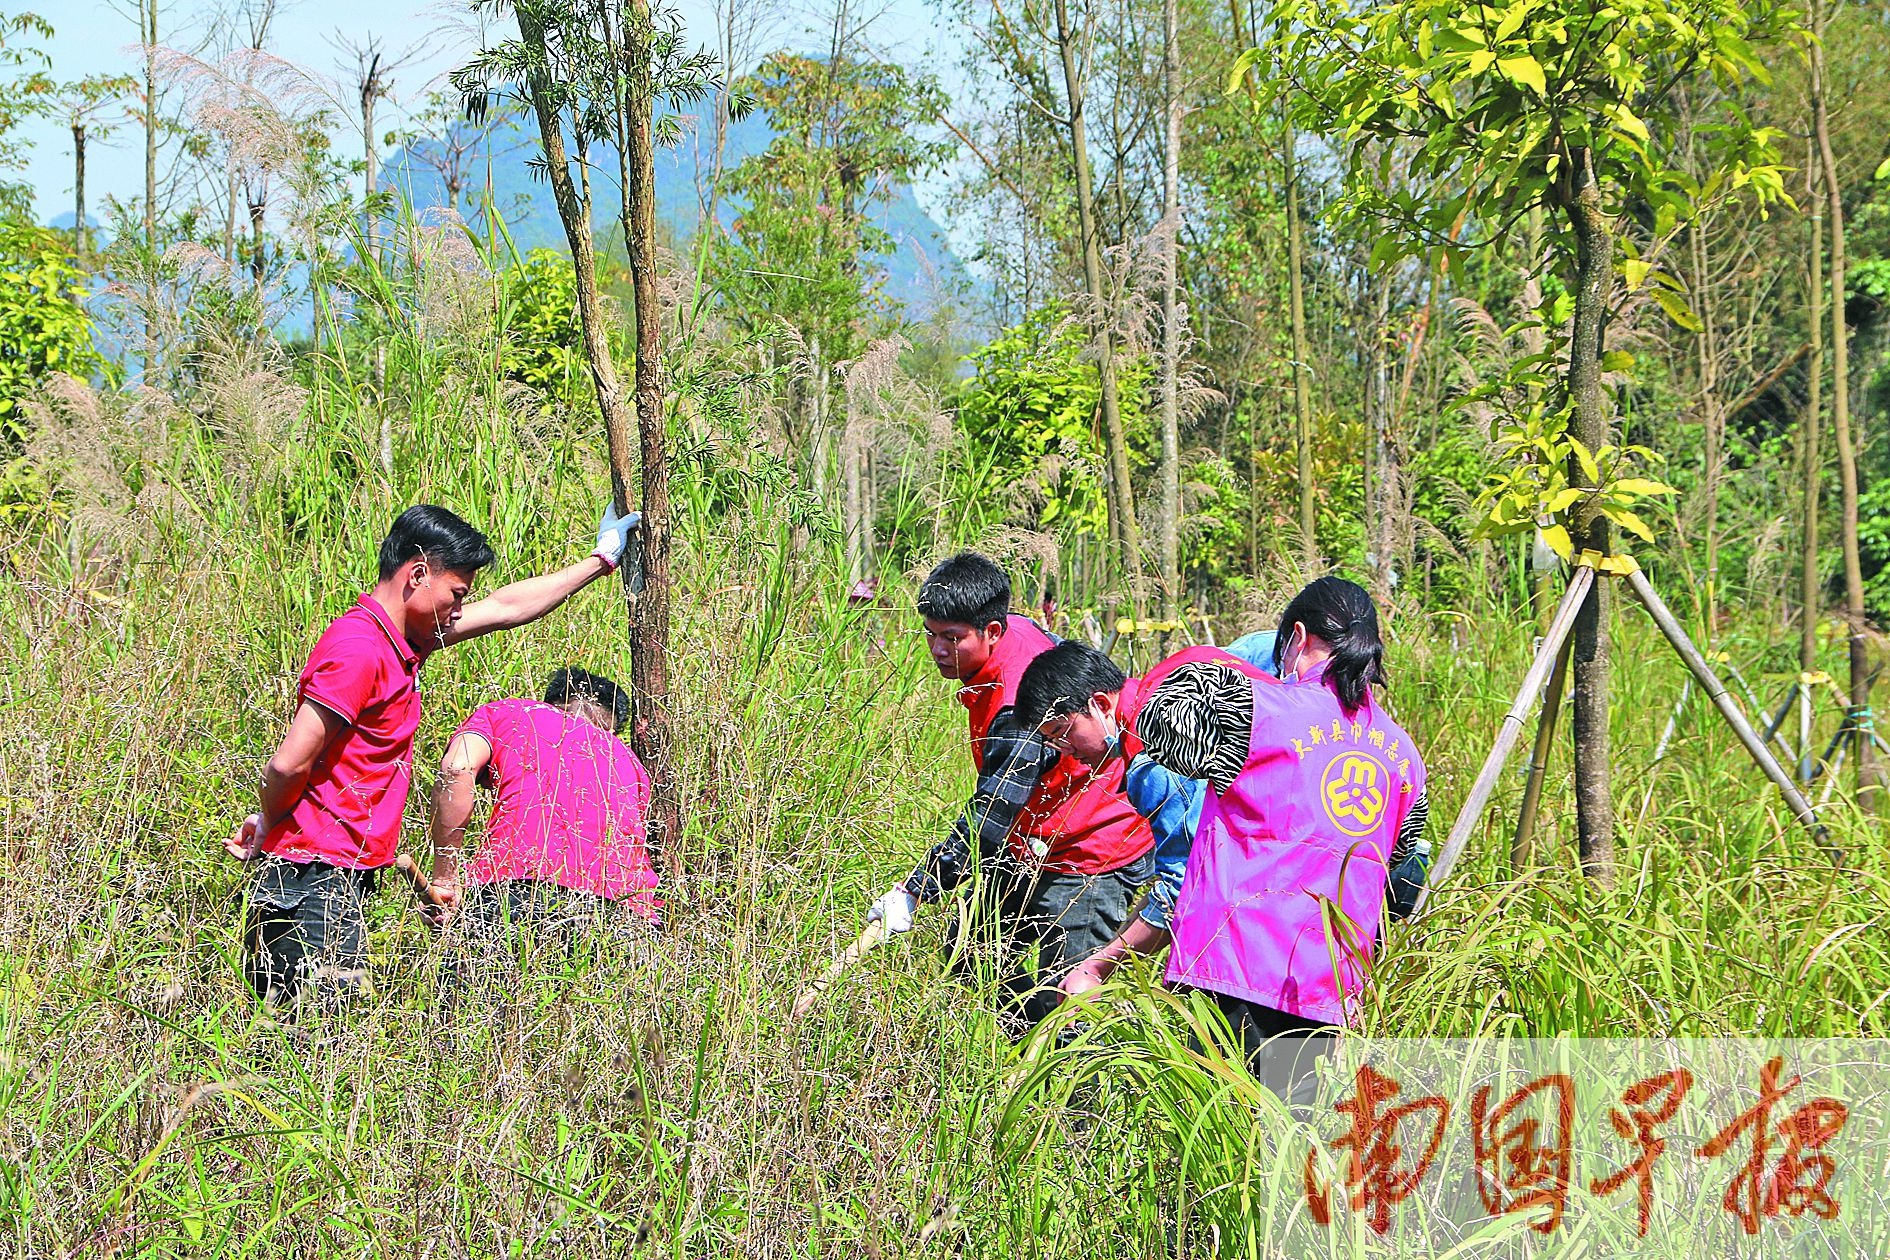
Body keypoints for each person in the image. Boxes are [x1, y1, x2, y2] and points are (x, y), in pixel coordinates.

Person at [1019, 578, 1429, 1094]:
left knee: (1214, 1145)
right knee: (1290, 1150)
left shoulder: (1251, 708)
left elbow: (1152, 728)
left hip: (1232, 969)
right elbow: (1400, 872)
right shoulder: (1405, 755)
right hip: (1329, 989)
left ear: (1297, 637)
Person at [226, 502, 638, 1009]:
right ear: (419, 574)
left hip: (334, 876)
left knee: (322, 1042)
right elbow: (289, 763)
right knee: (310, 1044)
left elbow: (506, 609)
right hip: (310, 878)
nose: (461, 610)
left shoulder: (402, 643)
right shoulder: (360, 648)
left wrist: (600, 560)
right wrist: (269, 820)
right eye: (456, 594)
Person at [863, 552, 1154, 1032]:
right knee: (971, 954)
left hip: (1092, 846)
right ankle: (1010, 1073)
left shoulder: (1019, 706)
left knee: (1068, 998)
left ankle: (1071, 1100)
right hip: (1034, 839)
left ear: (992, 632)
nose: (938, 649)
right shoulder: (1005, 630)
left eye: (952, 638)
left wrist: (916, 889)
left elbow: (991, 816)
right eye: (931, 634)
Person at [1013, 634, 1281, 1000]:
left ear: (1100, 704)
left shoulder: (1152, 755)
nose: (1068, 753)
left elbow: (1183, 887)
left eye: (1064, 733)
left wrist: (1098, 966)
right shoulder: (1179, 669)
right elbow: (1268, 648)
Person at [424, 667, 658, 966]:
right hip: (621, 915)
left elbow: (457, 768)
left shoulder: (509, 713)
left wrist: (445, 878)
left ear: (550, 703)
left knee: (476, 1007)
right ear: (613, 727)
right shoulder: (631, 762)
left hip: (514, 892)